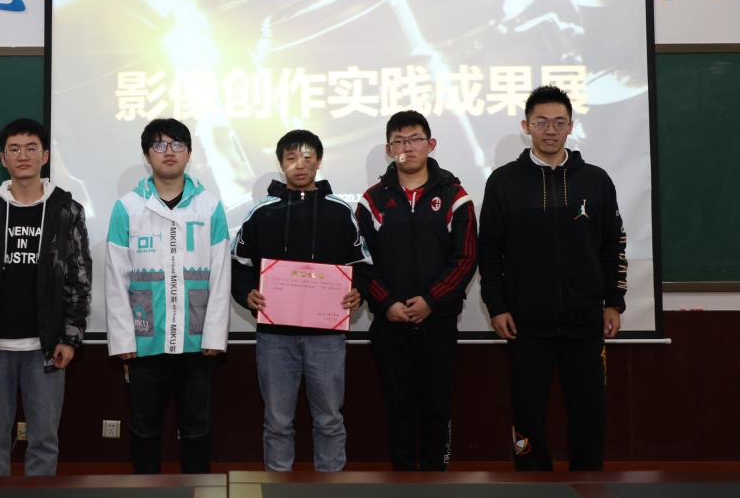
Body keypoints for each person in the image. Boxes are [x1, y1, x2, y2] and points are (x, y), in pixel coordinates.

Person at [478, 85, 627, 471]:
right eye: (541, 122)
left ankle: (588, 481)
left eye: (560, 122)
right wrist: (497, 306)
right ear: (526, 126)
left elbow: (613, 245)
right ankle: (532, 483)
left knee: (590, 410)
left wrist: (614, 302)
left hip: (585, 320)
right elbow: (489, 250)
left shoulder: (595, 180)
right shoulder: (503, 182)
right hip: (526, 322)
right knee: (527, 411)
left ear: (570, 127)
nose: (550, 130)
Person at [0, 118, 92, 476]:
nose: (23, 155)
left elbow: (78, 278)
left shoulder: (66, 211)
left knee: (44, 441)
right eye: (14, 149)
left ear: (45, 156)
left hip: (46, 347)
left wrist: (70, 337)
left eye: (31, 148)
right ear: (3, 158)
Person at [231, 129, 369, 472]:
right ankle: (277, 488)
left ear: (319, 161)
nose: (300, 164)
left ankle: (330, 487)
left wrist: (358, 291)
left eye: (307, 157)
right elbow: (238, 265)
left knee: (329, 419)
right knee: (277, 421)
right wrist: (246, 293)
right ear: (281, 164)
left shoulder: (341, 211)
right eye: (291, 158)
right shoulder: (261, 212)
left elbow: (362, 264)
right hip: (275, 337)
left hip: (327, 337)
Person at [105, 118, 231, 474]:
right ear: (147, 155)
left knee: (197, 429)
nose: (169, 152)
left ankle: (199, 491)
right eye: (159, 145)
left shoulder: (209, 206)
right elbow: (115, 278)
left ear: (189, 153)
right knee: (144, 429)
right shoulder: (128, 207)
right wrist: (123, 338)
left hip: (196, 342)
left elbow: (221, 275)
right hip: (145, 341)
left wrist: (214, 335)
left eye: (177, 144)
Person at [354, 111, 477, 471]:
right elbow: (361, 260)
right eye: (399, 141)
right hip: (389, 323)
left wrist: (431, 300)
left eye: (415, 139)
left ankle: (437, 477)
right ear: (389, 149)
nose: (407, 147)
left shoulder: (455, 196)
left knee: (437, 406)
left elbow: (466, 257)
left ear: (430, 144)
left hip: (438, 321)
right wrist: (387, 302)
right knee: (398, 406)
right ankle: (403, 480)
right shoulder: (371, 200)